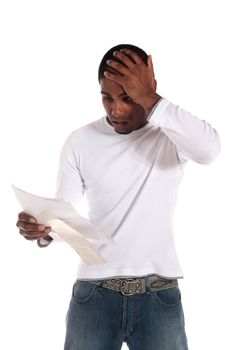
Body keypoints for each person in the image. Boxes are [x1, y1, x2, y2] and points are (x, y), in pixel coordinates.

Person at [16, 44, 221, 350]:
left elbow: (209, 150)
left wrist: (151, 99)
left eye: (128, 97)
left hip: (158, 294)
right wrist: (45, 230)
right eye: (107, 98)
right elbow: (67, 214)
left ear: (148, 88)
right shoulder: (81, 141)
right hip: (93, 294)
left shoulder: (169, 134)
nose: (116, 110)